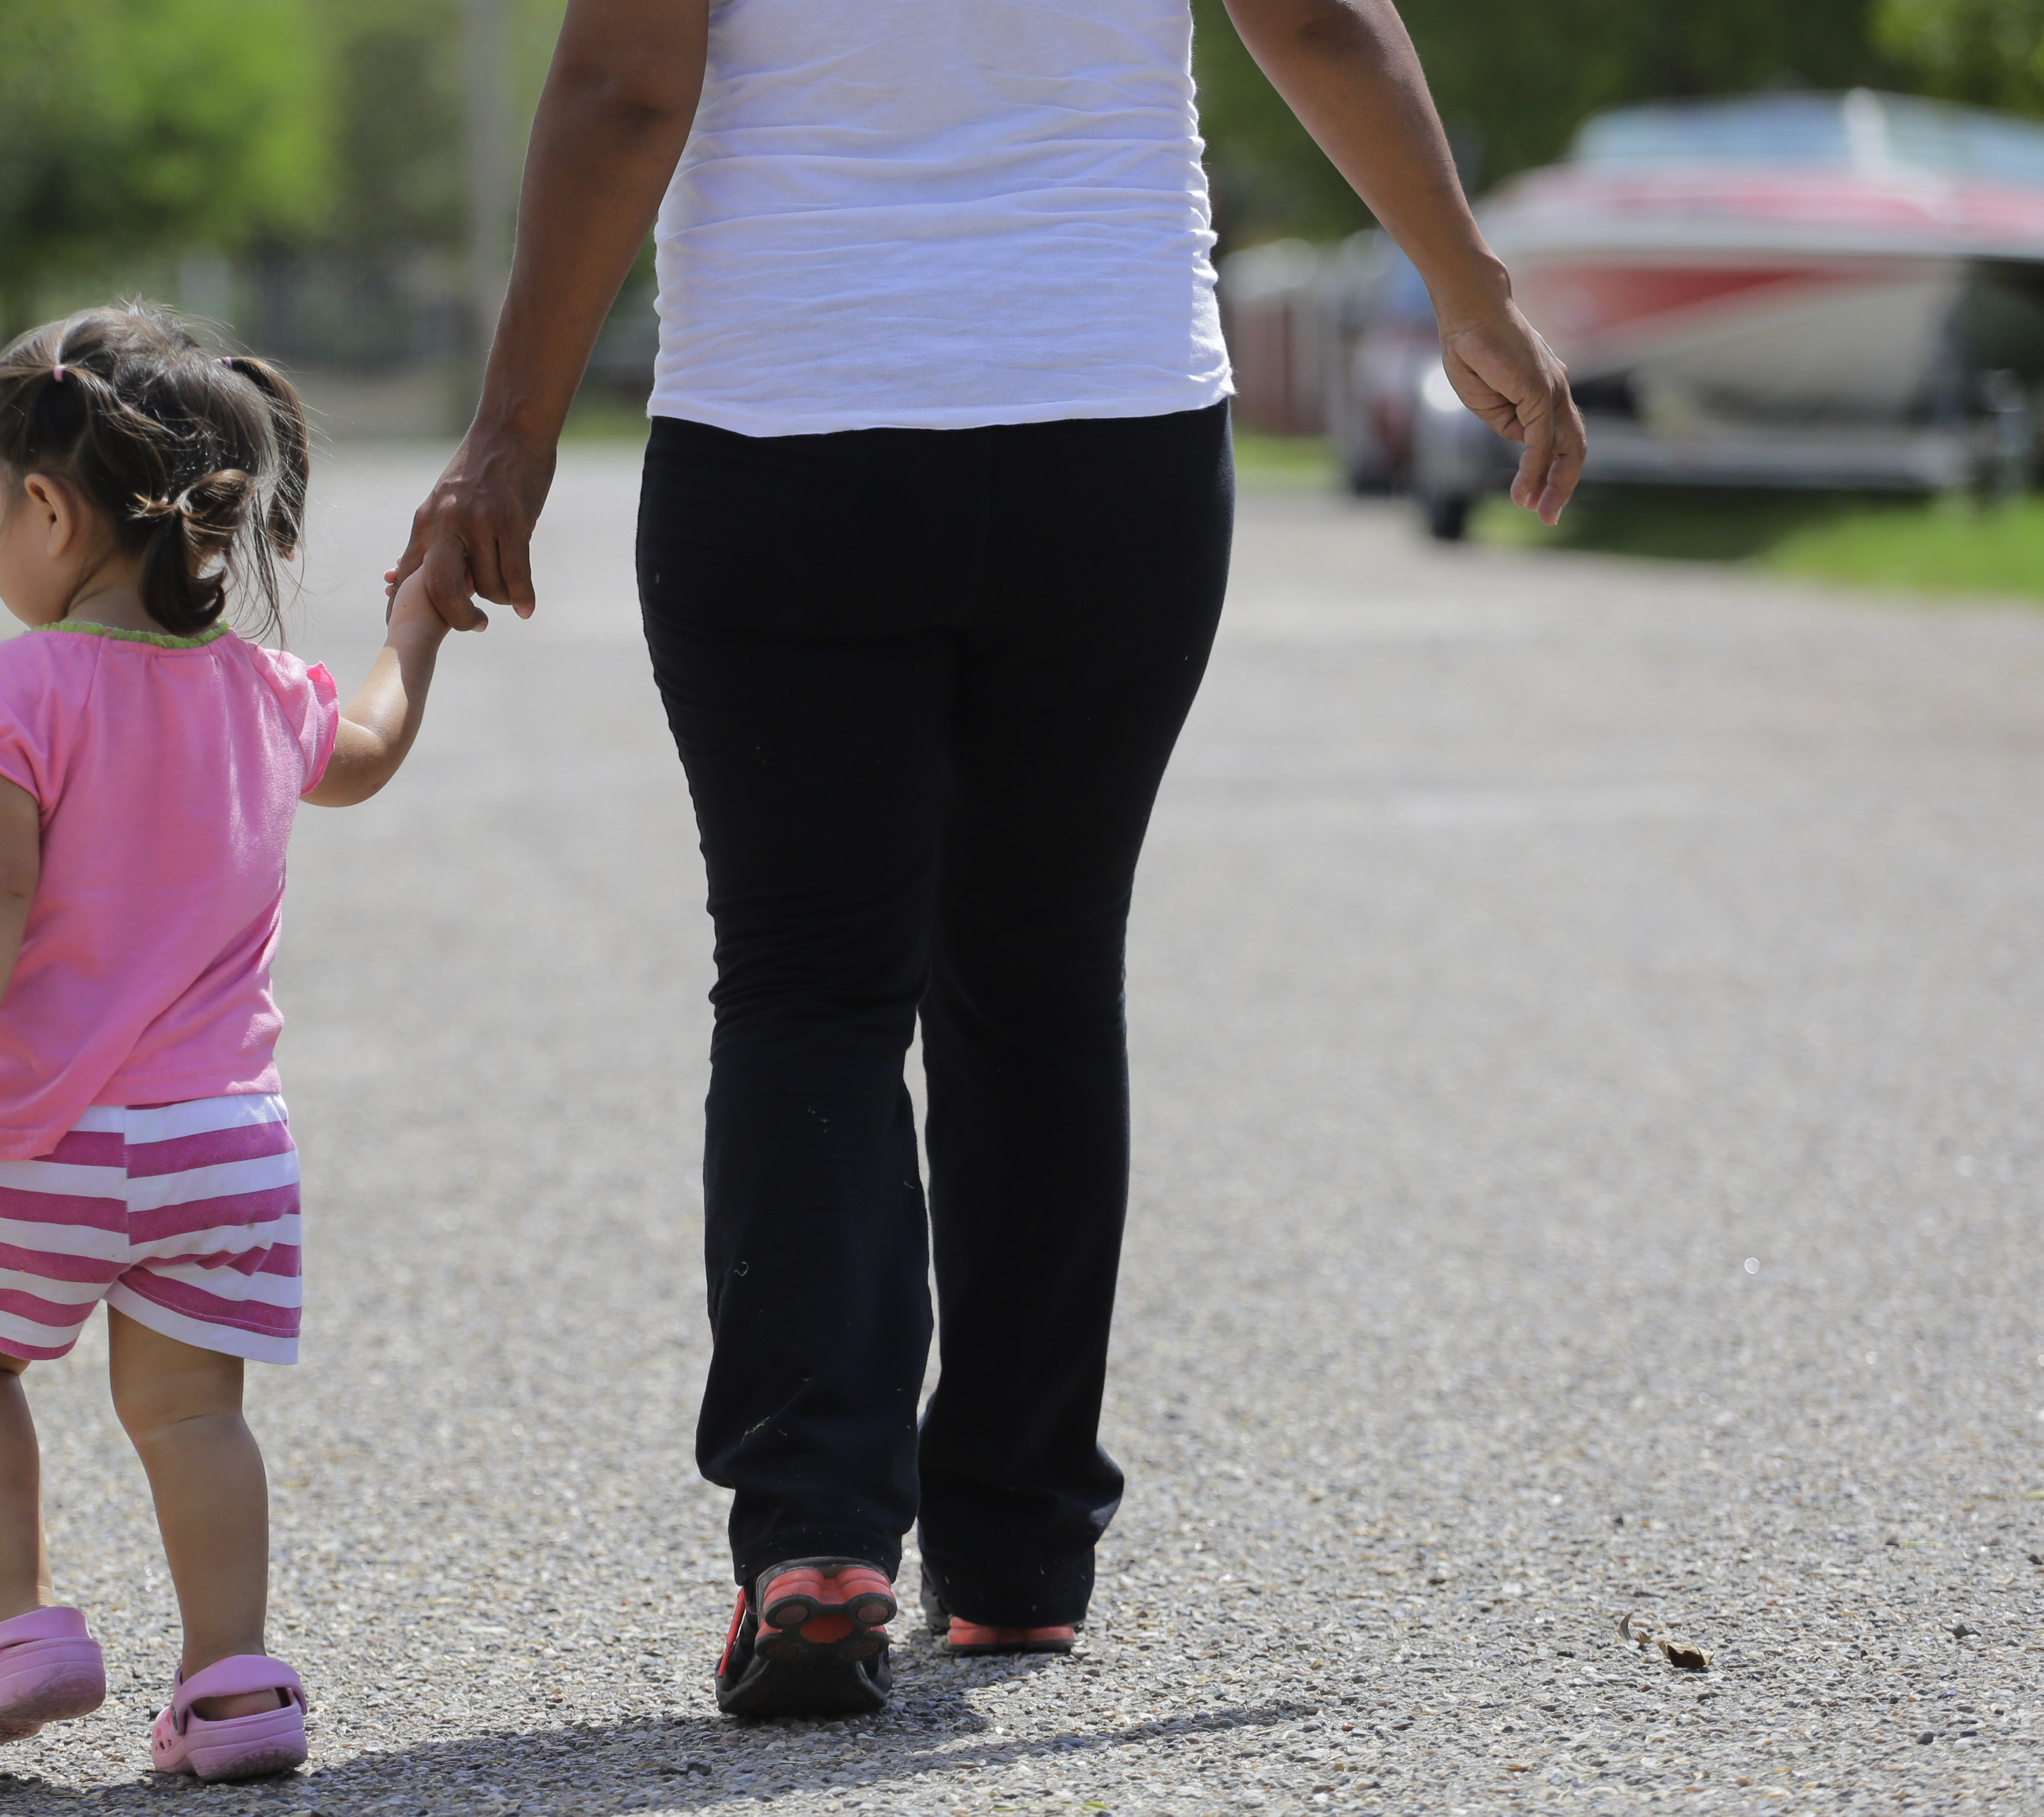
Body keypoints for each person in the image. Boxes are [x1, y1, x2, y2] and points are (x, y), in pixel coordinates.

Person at [393, 0, 1585, 1718]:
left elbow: (619, 80)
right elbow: (1315, 18)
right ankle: (1017, 1550)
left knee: (809, 983)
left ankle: (814, 1536)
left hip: (788, 432)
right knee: (1033, 974)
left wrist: (510, 428)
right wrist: (1466, 287)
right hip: (1106, 436)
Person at [0, 301, 452, 1779]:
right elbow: (373, 748)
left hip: (43, 1136)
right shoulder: (265, 693)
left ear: (53, 510)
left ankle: (20, 1622)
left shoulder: (18, 688)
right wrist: (413, 624)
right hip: (224, 1148)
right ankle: (235, 1683)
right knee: (194, 1411)